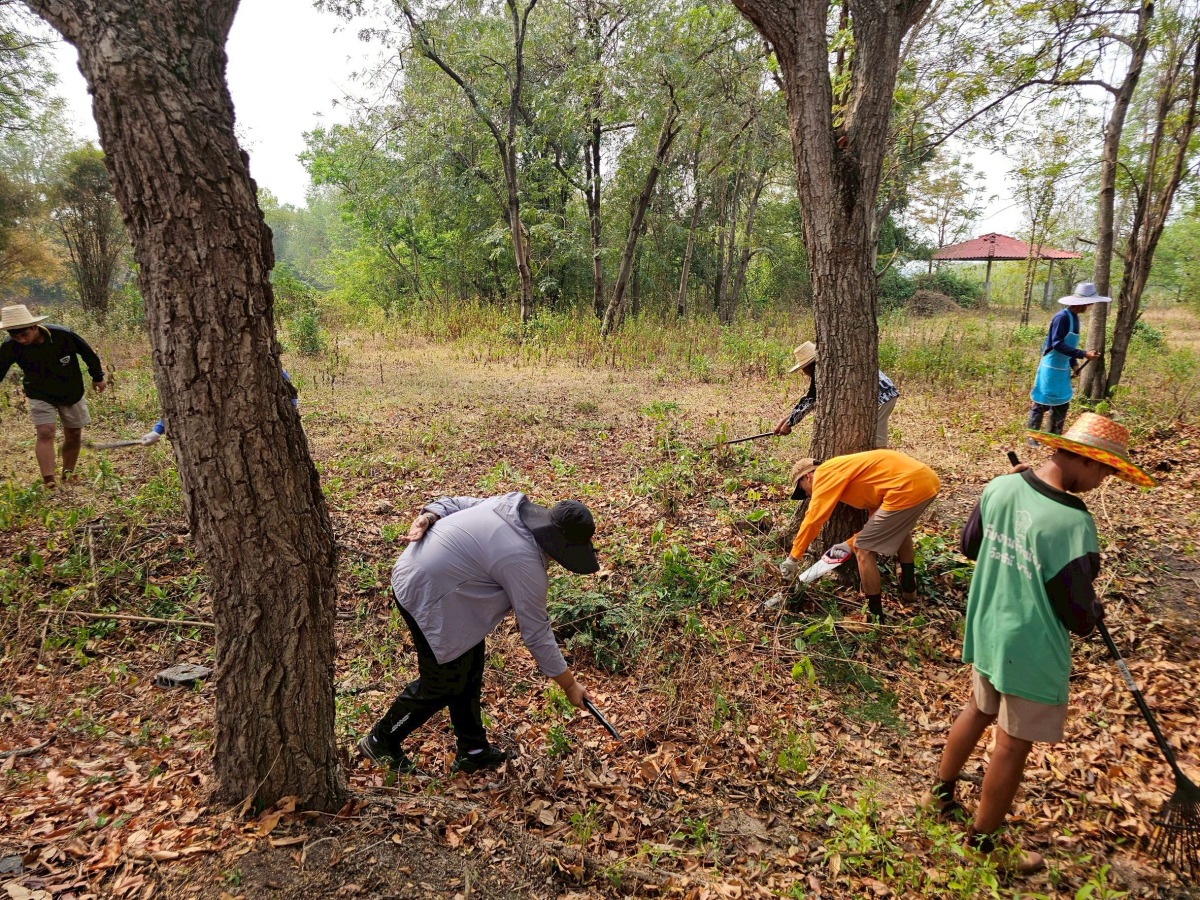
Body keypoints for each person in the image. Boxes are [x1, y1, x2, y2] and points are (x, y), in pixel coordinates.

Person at [923, 413, 1154, 874]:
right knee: (1011, 745)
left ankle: (940, 793)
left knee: (979, 707)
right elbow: (1076, 610)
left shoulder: (1000, 487)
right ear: (1085, 461)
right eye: (1105, 471)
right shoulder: (1072, 522)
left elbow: (971, 545)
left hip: (989, 625)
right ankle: (984, 843)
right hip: (1030, 645)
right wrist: (1093, 612)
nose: (1103, 481)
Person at [358, 492, 600, 775]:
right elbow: (536, 634)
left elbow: (452, 503)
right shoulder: (524, 562)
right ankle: (380, 740)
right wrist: (569, 685)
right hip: (426, 591)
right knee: (442, 682)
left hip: (440, 585)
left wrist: (427, 516)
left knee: (469, 668)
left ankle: (473, 750)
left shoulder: (508, 506)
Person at [780, 449, 940, 621]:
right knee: (899, 528)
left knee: (863, 549)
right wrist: (846, 546)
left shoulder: (824, 473)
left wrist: (793, 558)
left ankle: (875, 618)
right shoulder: (850, 471)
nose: (807, 496)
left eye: (803, 491)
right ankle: (909, 590)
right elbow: (877, 521)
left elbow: (813, 519)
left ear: (808, 477)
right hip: (927, 481)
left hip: (906, 487)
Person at [0, 304, 106, 488]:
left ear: (34, 327)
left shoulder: (62, 335)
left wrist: (97, 377)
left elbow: (88, 353)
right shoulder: (10, 346)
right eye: (15, 336)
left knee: (73, 433)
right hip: (39, 392)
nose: (21, 340)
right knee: (45, 432)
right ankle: (49, 480)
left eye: (24, 335)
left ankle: (68, 473)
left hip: (70, 390)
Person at [773, 341, 900, 449]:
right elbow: (809, 400)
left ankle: (882, 469)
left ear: (807, 367)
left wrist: (789, 424)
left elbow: (811, 401)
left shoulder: (821, 370)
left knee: (875, 442)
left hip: (877, 397)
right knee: (877, 438)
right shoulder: (833, 362)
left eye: (803, 368)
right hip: (887, 393)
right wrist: (786, 419)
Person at [1027, 282, 1107, 440]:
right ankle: (1032, 437)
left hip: (1062, 368)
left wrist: (1074, 365)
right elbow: (1057, 343)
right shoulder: (1061, 317)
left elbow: (1069, 345)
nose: (1091, 306)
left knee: (1062, 404)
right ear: (1084, 303)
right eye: (1091, 303)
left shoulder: (1074, 319)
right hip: (1050, 368)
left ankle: (1052, 438)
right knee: (1042, 403)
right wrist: (1083, 354)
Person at [137, 369, 297, 445]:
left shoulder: (268, 370)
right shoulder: (197, 373)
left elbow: (290, 397)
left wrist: (289, 421)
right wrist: (157, 431)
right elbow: (183, 403)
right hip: (213, 446)